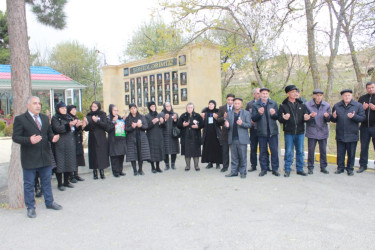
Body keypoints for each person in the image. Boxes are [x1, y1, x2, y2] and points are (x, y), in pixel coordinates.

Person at [12, 96, 62, 218]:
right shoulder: (21, 119)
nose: (38, 105)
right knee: (29, 184)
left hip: (45, 156)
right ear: (28, 105)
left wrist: (53, 137)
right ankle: (30, 208)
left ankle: (49, 202)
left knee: (46, 181)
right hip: (29, 158)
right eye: (35, 103)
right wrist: (29, 140)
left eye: (39, 103)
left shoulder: (45, 118)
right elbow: (15, 137)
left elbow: (48, 133)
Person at [331, 89, 365, 176]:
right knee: (340, 153)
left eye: (349, 95)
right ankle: (340, 168)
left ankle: (350, 169)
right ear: (342, 97)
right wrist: (333, 117)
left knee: (351, 153)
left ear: (351, 96)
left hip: (352, 134)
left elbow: (362, 118)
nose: (347, 97)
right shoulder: (337, 106)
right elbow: (334, 120)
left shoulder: (358, 105)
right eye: (345, 95)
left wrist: (354, 117)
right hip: (340, 134)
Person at [278, 85, 310, 177]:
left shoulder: (302, 104)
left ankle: (300, 169)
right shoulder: (283, 105)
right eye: (293, 92)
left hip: (300, 132)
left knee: (300, 151)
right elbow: (280, 118)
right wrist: (284, 118)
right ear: (288, 94)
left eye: (296, 91)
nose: (295, 93)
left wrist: (306, 118)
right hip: (289, 132)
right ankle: (287, 169)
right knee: (288, 151)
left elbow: (306, 116)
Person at [251, 88, 280, 177]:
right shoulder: (256, 105)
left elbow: (277, 117)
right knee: (262, 151)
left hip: (272, 131)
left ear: (268, 94)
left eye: (266, 93)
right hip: (261, 131)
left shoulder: (273, 103)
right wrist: (259, 114)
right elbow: (253, 119)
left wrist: (274, 114)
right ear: (260, 94)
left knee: (274, 151)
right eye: (263, 93)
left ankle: (275, 169)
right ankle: (263, 169)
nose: (264, 95)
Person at [51, 102, 77, 191]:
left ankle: (66, 181)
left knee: (69, 162)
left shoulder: (69, 117)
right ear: (58, 109)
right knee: (60, 163)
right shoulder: (55, 118)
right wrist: (68, 125)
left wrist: (77, 125)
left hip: (69, 143)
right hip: (60, 144)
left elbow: (73, 129)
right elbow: (57, 128)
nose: (64, 110)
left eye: (65, 108)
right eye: (62, 108)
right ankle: (59, 183)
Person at [305, 89, 331, 174]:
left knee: (323, 150)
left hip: (323, 130)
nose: (319, 97)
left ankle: (323, 167)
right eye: (317, 95)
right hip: (312, 130)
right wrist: (311, 116)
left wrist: (327, 116)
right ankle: (310, 167)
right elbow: (305, 119)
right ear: (314, 96)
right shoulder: (307, 105)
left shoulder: (326, 105)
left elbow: (329, 119)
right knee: (311, 150)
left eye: (320, 95)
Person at [224, 98, 251, 178]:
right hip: (232, 138)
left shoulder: (246, 113)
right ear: (233, 104)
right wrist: (227, 126)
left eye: (238, 103)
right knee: (234, 157)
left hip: (242, 139)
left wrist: (242, 123)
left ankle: (243, 172)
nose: (237, 105)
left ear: (241, 104)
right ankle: (234, 171)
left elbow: (249, 125)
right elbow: (227, 126)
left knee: (243, 157)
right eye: (235, 103)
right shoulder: (229, 113)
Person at [246, 88, 270, 172]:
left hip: (263, 129)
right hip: (253, 129)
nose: (259, 94)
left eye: (260, 93)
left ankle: (267, 165)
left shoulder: (265, 102)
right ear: (254, 95)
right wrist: (250, 121)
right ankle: (253, 165)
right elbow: (246, 115)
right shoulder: (249, 104)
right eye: (257, 93)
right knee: (253, 147)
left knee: (264, 148)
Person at [84, 101, 110, 179]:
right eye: (92, 106)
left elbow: (105, 125)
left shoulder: (102, 114)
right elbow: (86, 129)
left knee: (101, 154)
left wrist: (97, 121)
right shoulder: (89, 115)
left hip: (101, 136)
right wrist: (86, 124)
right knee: (93, 155)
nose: (93, 108)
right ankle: (94, 172)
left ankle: (102, 171)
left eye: (95, 107)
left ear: (98, 107)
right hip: (92, 137)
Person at [125, 103, 151, 175]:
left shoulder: (142, 117)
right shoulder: (128, 118)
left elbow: (146, 126)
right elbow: (126, 129)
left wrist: (140, 126)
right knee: (132, 155)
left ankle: (140, 169)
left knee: (141, 154)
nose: (133, 110)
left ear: (136, 108)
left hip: (141, 138)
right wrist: (132, 127)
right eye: (131, 109)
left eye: (134, 108)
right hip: (131, 139)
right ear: (130, 110)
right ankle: (134, 170)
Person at [177, 102, 204, 171]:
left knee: (196, 152)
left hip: (195, 136)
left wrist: (197, 126)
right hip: (186, 137)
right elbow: (178, 125)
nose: (190, 109)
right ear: (186, 108)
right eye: (188, 107)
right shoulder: (183, 115)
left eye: (191, 107)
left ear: (193, 108)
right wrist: (183, 125)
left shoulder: (197, 115)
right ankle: (187, 166)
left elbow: (202, 124)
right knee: (187, 152)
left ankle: (196, 166)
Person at [357, 82, 375, 173]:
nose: (370, 89)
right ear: (366, 88)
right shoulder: (362, 98)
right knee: (364, 147)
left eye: (372, 87)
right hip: (364, 127)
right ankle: (363, 165)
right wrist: (362, 108)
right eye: (369, 88)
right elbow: (356, 111)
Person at [201, 100, 223, 169]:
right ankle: (210, 163)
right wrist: (202, 118)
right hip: (207, 133)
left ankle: (217, 163)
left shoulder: (217, 112)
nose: (211, 105)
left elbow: (221, 123)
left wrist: (217, 118)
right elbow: (202, 124)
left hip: (216, 134)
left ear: (214, 105)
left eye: (212, 104)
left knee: (217, 148)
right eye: (209, 104)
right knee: (208, 148)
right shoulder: (205, 112)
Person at [107, 104, 127, 177]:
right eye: (114, 110)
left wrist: (123, 120)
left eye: (117, 110)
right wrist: (113, 122)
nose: (116, 112)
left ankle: (120, 170)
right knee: (115, 157)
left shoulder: (119, 117)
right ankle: (115, 172)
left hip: (120, 139)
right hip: (113, 140)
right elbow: (108, 129)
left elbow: (123, 126)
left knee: (121, 156)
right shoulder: (108, 118)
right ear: (111, 111)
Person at [67, 105, 86, 182]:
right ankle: (71, 176)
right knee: (72, 159)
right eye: (72, 110)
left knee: (77, 158)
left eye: (75, 109)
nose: (74, 111)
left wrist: (81, 126)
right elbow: (69, 130)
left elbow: (78, 130)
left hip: (77, 141)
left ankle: (76, 174)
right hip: (71, 141)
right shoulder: (68, 118)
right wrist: (74, 126)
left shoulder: (76, 118)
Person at [217, 93, 235, 172]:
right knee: (225, 151)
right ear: (226, 100)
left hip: (234, 133)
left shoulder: (237, 107)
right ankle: (225, 166)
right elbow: (218, 120)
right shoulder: (221, 108)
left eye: (232, 100)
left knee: (235, 152)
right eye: (229, 100)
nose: (230, 101)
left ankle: (235, 167)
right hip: (224, 134)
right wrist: (224, 118)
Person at [145, 101, 165, 173]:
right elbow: (146, 127)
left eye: (154, 106)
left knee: (158, 151)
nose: (153, 108)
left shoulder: (159, 115)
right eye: (151, 106)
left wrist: (162, 122)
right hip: (151, 136)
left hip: (159, 135)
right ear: (149, 108)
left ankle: (158, 167)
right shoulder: (147, 116)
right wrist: (152, 123)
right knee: (152, 152)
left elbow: (163, 126)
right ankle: (152, 167)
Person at [160, 102, 180, 170]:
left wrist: (175, 120)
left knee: (174, 150)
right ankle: (167, 165)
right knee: (166, 151)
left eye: (169, 106)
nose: (168, 107)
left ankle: (173, 164)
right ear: (164, 107)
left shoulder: (175, 114)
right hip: (165, 135)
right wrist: (164, 120)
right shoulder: (161, 114)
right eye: (167, 106)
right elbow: (160, 126)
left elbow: (178, 125)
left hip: (173, 135)